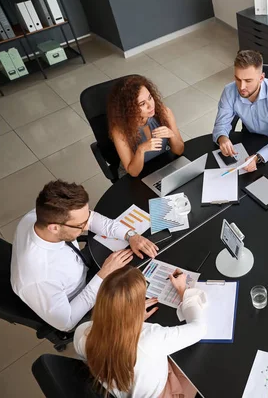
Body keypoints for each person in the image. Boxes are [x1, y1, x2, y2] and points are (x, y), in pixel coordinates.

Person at [10, 180, 159, 332]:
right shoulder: (39, 278)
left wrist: (130, 235)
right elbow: (67, 322)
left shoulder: (38, 216)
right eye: (81, 225)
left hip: (80, 268)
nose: (86, 225)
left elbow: (92, 220)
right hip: (79, 305)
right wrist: (104, 274)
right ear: (54, 228)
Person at [75, 266, 207, 397]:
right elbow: (199, 328)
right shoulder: (152, 336)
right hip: (162, 393)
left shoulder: (82, 333)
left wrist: (132, 321)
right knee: (200, 367)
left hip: (118, 388)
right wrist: (183, 291)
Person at [212, 50, 268, 173]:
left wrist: (258, 157)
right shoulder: (229, 91)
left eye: (248, 81)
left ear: (261, 78)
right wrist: (222, 138)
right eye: (238, 79)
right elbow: (221, 123)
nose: (241, 87)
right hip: (252, 135)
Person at [108, 75, 185, 177]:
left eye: (150, 97)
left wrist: (172, 135)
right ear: (129, 109)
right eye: (142, 104)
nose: (150, 105)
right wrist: (141, 150)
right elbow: (133, 172)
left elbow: (179, 151)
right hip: (134, 177)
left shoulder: (164, 112)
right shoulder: (120, 131)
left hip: (160, 165)